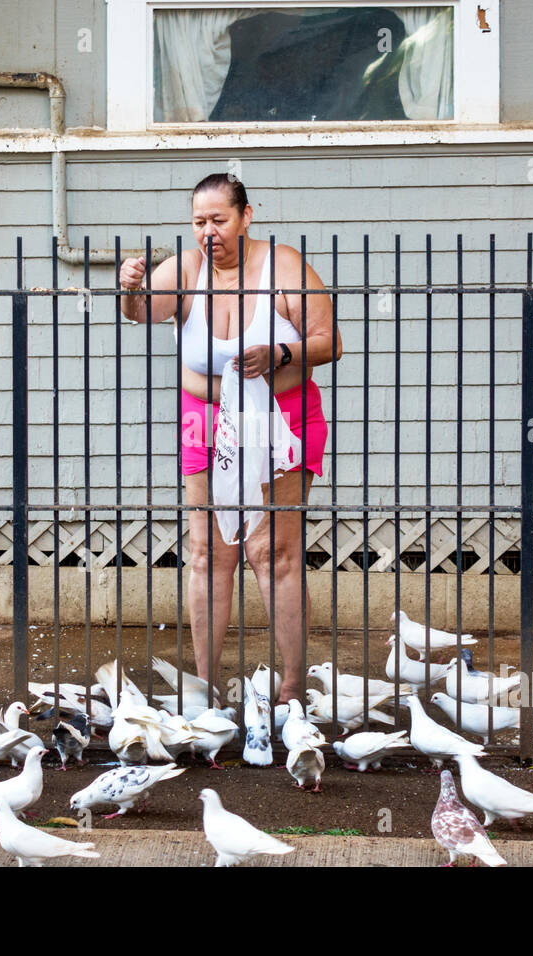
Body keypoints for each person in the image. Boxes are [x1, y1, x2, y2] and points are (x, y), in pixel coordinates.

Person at [118, 174, 343, 705]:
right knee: (207, 553)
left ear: (246, 216)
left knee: (275, 552)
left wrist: (279, 355)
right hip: (206, 418)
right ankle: (205, 687)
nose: (208, 232)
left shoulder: (283, 266)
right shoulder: (185, 270)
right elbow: (141, 313)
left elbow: (331, 341)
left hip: (280, 416)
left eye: (219, 220)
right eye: (199, 221)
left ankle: (290, 687)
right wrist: (128, 290)